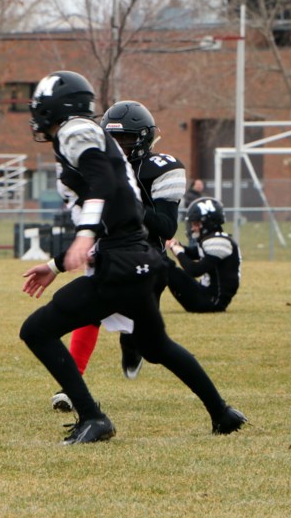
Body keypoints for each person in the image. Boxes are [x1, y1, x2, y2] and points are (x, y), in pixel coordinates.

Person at [19, 70, 246, 444]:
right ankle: (223, 413)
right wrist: (56, 265)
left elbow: (103, 186)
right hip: (141, 260)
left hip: (120, 263)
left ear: (59, 107)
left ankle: (93, 417)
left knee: (36, 331)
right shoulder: (84, 135)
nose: (38, 117)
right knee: (158, 347)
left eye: (42, 109)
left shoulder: (76, 132)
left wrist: (85, 235)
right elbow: (111, 198)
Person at [50, 100, 187, 413]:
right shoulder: (95, 166)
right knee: (89, 312)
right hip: (110, 249)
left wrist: (129, 203)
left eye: (126, 139)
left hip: (147, 257)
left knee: (147, 339)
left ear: (143, 139)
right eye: (113, 140)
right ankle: (71, 387)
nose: (119, 147)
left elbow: (166, 226)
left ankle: (133, 344)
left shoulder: (159, 169)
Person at [164, 196, 242, 312]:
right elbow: (194, 253)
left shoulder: (218, 242)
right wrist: (177, 245)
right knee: (163, 264)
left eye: (196, 223)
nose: (193, 228)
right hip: (209, 297)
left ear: (207, 222)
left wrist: (177, 250)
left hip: (210, 301)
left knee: (164, 266)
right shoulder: (217, 239)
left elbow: (194, 270)